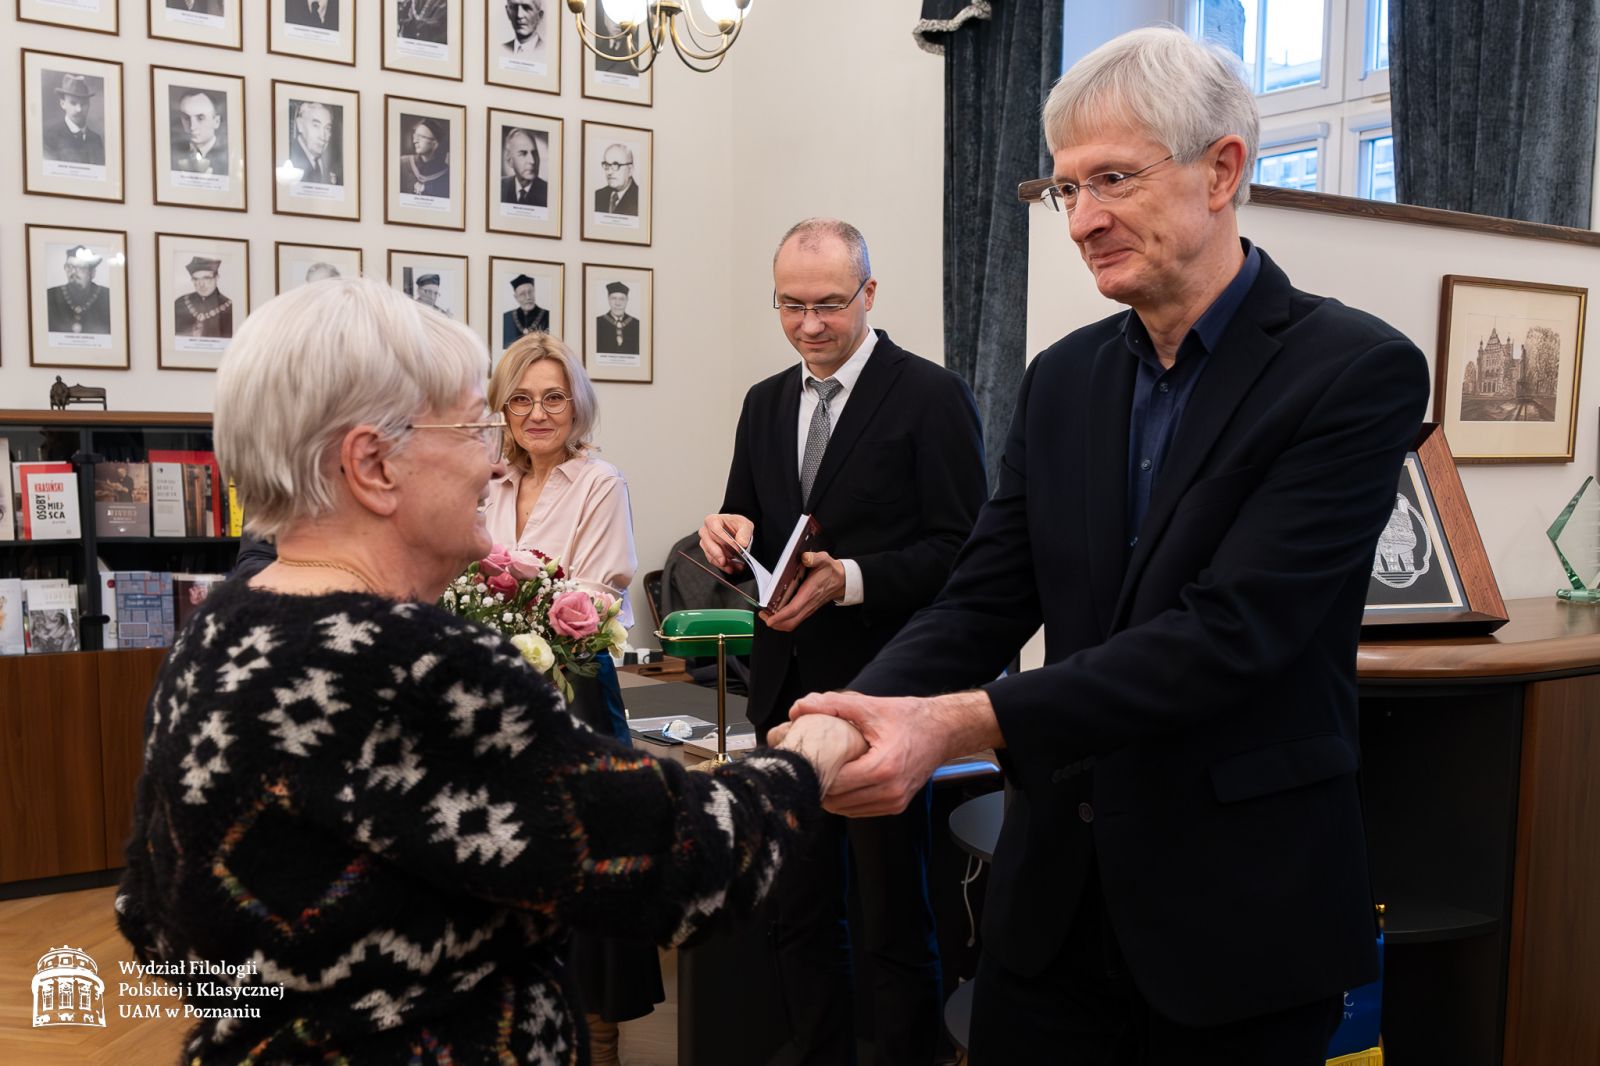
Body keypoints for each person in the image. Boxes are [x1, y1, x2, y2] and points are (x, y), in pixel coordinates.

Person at [784, 28, 1432, 1066]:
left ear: (1221, 169)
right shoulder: (1063, 378)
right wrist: (846, 715)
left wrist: (951, 722)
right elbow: (980, 598)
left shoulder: (1354, 371)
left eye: (1112, 180)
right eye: (1063, 188)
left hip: (1237, 919)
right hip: (1050, 914)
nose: (1081, 219)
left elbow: (1228, 634)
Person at [117, 275, 866, 1065]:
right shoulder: (412, 665)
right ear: (374, 465)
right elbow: (686, 865)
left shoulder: (216, 631)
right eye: (476, 427)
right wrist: (811, 753)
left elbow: (152, 916)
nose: (492, 459)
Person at [697, 218, 987, 1066]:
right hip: (784, 692)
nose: (810, 325)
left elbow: (965, 556)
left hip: (882, 691)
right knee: (795, 912)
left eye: (830, 305)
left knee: (894, 917)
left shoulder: (930, 396)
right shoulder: (763, 401)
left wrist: (849, 577)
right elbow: (750, 524)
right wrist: (724, 536)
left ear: (870, 294)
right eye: (792, 306)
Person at [482, 333, 659, 1064]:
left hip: (576, 685)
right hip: (493, 695)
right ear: (503, 407)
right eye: (521, 398)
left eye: (553, 396)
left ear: (575, 403)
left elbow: (598, 585)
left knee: (585, 868)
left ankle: (598, 1037)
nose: (537, 412)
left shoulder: (598, 480)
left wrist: (505, 612)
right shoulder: (484, 480)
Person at [41, 73, 105, 166]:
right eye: (73, 103)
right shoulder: (49, 137)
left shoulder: (96, 139)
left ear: (89, 104)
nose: (79, 109)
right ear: (63, 104)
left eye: (84, 104)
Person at [46, 245, 111, 335]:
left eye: (80, 267)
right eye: (69, 267)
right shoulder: (49, 295)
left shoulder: (108, 297)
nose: (73, 272)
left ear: (92, 273)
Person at [171, 88, 228, 176]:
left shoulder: (228, 158)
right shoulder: (171, 156)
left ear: (216, 121)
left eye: (200, 118)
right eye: (186, 118)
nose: (192, 126)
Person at [173, 256, 234, 338]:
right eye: (196, 279)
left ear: (217, 278)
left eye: (206, 278)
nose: (201, 284)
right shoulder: (179, 303)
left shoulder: (230, 308)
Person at [288, 100, 339, 186]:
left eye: (327, 128)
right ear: (300, 125)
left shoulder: (334, 164)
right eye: (316, 125)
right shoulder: (288, 157)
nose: (323, 137)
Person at [399, 118, 450, 198]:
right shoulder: (402, 164)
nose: (415, 141)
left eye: (421, 137)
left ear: (435, 143)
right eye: (415, 136)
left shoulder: (447, 175)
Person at [500, 129, 547, 207]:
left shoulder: (548, 192)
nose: (532, 161)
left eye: (534, 153)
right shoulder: (500, 187)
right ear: (510, 161)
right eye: (523, 154)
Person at [502, 274, 550, 347]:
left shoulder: (548, 315)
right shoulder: (506, 317)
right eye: (522, 294)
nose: (528, 297)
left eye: (530, 292)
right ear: (516, 297)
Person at [593, 144, 639, 216]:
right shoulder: (597, 196)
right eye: (606, 165)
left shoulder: (641, 200)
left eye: (616, 165)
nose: (609, 172)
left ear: (630, 170)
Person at [593, 283, 639, 355]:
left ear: (627, 300)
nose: (617, 303)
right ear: (608, 299)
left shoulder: (637, 324)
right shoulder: (597, 323)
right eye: (614, 298)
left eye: (622, 299)